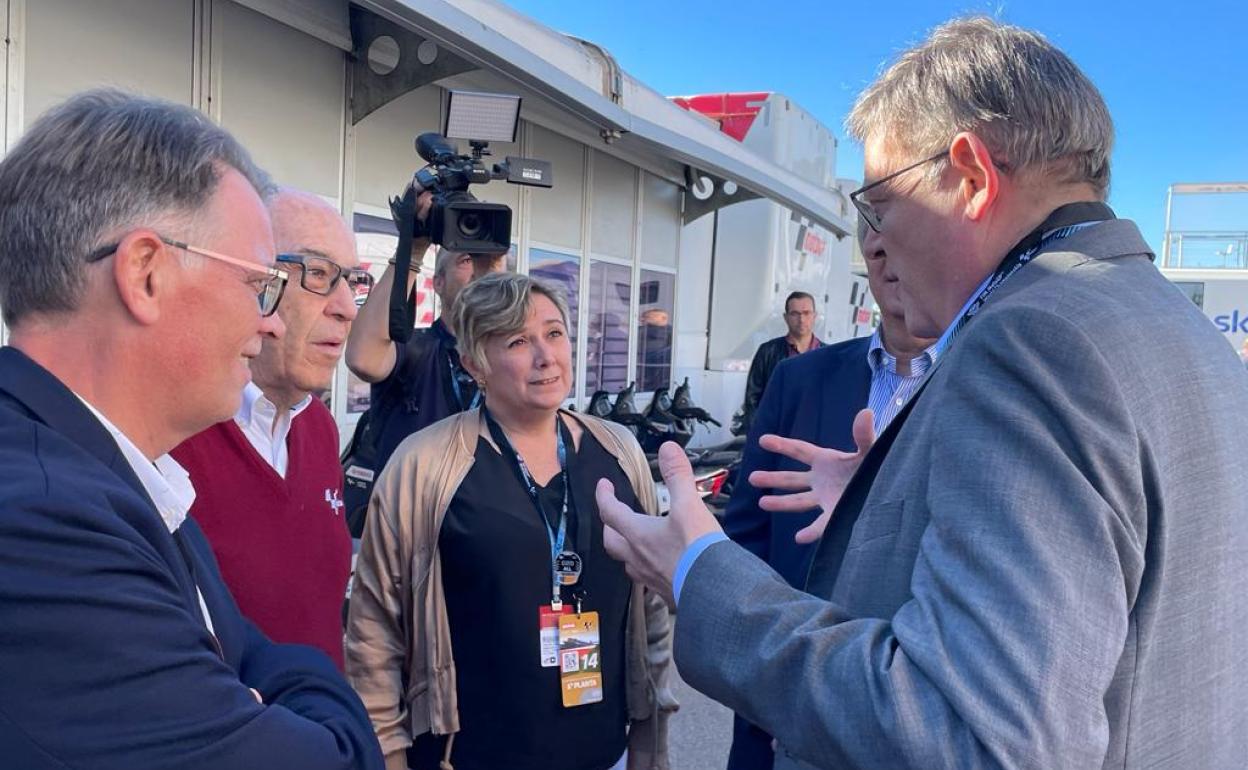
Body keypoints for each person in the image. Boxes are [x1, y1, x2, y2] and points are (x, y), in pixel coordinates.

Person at [594, 17, 1248, 769]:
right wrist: (889, 509)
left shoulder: (1032, 338)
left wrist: (699, 571)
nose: (876, 244)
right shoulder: (1185, 334)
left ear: (969, 177)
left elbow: (967, 735)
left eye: (878, 205)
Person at [0, 90, 382, 768]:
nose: (269, 321)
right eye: (261, 285)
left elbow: (249, 647)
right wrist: (318, 705)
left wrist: (258, 686)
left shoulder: (117, 473)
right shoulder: (41, 522)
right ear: (144, 274)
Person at [346, 272, 676, 770]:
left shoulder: (620, 451)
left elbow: (650, 610)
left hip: (602, 750)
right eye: (518, 341)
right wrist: (389, 755)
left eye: (555, 333)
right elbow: (374, 632)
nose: (546, 357)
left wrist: (650, 744)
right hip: (470, 755)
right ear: (473, 362)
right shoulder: (424, 465)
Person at [721, 221, 937, 770]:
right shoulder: (797, 379)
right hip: (785, 700)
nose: (894, 260)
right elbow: (746, 541)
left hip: (922, 719)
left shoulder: (995, 388)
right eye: (879, 243)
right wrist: (763, 680)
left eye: (913, 237)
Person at [172, 189, 371, 669]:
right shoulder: (173, 433)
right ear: (257, 281)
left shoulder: (319, 428)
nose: (346, 307)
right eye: (319, 275)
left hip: (322, 733)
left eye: (354, 281)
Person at [345, 235, 506, 478]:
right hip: (413, 511)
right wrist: (413, 249)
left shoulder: (510, 358)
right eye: (466, 260)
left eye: (488, 263)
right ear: (438, 283)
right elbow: (363, 358)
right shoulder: (414, 349)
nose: (479, 272)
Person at [739, 291, 822, 434]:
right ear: (786, 317)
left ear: (815, 316)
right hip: (775, 432)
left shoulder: (827, 354)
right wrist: (756, 435)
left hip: (814, 434)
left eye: (806, 313)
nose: (801, 319)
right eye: (795, 314)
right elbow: (752, 398)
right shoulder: (768, 351)